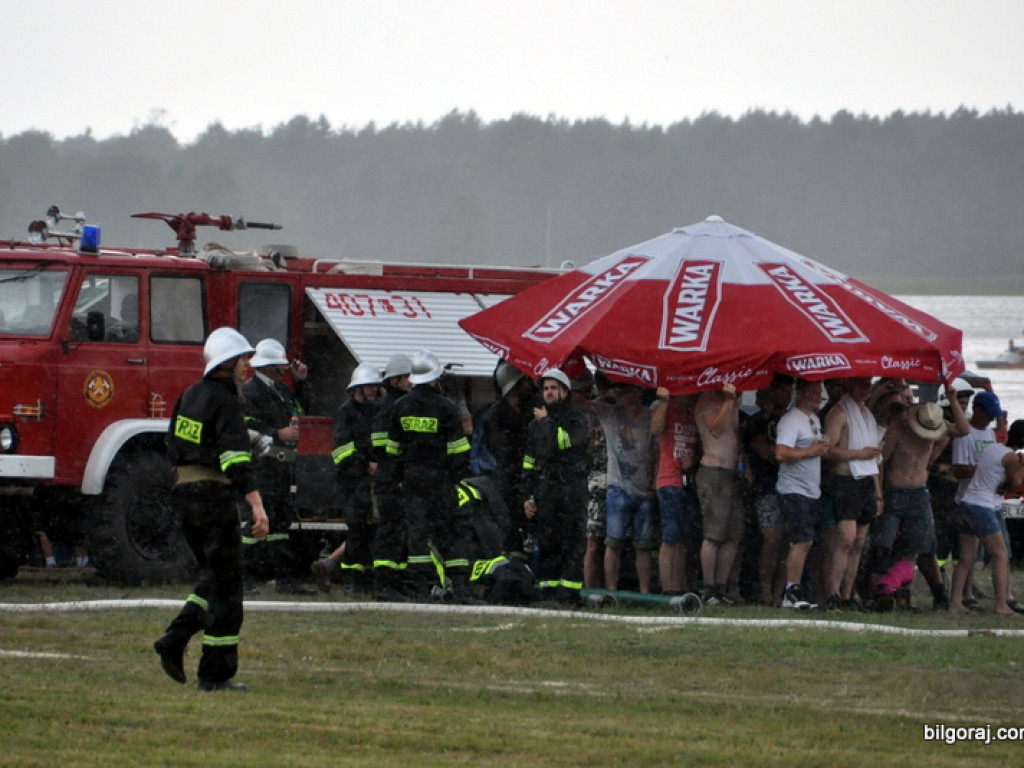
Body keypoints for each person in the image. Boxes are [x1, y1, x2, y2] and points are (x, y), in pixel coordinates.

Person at [154, 327, 269, 692]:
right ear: (229, 362)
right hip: (214, 498)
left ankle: (176, 636)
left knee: (214, 577)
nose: (247, 367)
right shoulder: (226, 401)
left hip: (185, 495)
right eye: (244, 360)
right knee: (228, 590)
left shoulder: (188, 396)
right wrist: (256, 503)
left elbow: (172, 443)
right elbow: (235, 458)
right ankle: (214, 675)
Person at [387, 350, 473, 602]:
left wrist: (397, 479)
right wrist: (458, 479)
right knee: (449, 532)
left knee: (417, 536)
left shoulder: (399, 407)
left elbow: (392, 450)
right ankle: (458, 586)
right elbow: (458, 449)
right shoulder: (446, 408)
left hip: (412, 482)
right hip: (442, 481)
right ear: (435, 379)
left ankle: (421, 588)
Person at [871, 392, 968, 611]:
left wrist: (953, 400)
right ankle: (879, 592)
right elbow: (879, 462)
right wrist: (879, 493)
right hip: (895, 491)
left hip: (919, 492)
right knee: (882, 546)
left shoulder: (937, 430)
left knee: (915, 546)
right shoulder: (898, 430)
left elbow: (963, 430)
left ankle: (905, 594)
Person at [240, 338, 315, 596]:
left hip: (281, 468)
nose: (285, 370)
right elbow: (246, 428)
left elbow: (304, 407)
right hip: (262, 466)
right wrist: (277, 434)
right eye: (281, 366)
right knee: (254, 522)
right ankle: (242, 579)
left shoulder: (281, 391)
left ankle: (284, 578)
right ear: (271, 367)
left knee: (281, 523)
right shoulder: (249, 391)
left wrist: (302, 381)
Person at [521, 368, 591, 605]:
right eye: (546, 388)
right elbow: (529, 462)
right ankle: (547, 590)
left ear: (565, 391)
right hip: (547, 489)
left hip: (572, 488)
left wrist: (546, 423)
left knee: (572, 542)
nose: (549, 392)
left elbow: (562, 445)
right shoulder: (535, 425)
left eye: (553, 388)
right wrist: (527, 496)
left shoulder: (577, 420)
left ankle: (569, 593)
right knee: (548, 541)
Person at [320, 362, 382, 597]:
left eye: (375, 386)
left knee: (371, 530)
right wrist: (365, 464)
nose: (373, 390)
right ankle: (352, 581)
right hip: (353, 480)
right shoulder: (347, 411)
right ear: (357, 387)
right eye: (369, 386)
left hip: (372, 480)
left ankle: (365, 579)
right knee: (357, 530)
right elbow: (341, 450)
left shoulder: (376, 410)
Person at [950, 419, 1024, 615]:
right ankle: (1001, 605)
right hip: (982, 507)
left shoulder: (993, 448)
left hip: (966, 503)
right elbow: (1016, 483)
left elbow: (1001, 481)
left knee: (967, 556)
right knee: (1000, 554)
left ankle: (955, 602)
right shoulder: (1013, 458)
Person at [589, 383, 657, 593]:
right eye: (622, 392)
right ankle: (611, 590)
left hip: (645, 488)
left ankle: (645, 591)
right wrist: (606, 394)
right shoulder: (610, 413)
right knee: (613, 542)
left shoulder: (650, 415)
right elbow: (579, 402)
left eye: (630, 392)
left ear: (639, 393)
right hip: (617, 487)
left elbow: (658, 444)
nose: (625, 397)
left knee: (644, 546)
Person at [823, 377, 883, 611]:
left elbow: (876, 458)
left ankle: (848, 594)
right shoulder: (839, 413)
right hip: (846, 479)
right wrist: (858, 454)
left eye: (868, 384)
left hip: (866, 479)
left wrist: (878, 493)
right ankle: (833, 593)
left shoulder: (867, 414)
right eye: (860, 384)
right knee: (845, 539)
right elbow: (828, 451)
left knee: (859, 541)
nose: (865, 389)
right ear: (849, 385)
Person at [775, 378, 831, 609]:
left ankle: (797, 586)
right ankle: (791, 591)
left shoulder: (814, 419)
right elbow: (781, 453)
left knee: (806, 542)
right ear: (802, 393)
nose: (818, 396)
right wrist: (810, 451)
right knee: (801, 540)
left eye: (820, 392)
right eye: (814, 392)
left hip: (811, 489)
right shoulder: (791, 420)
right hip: (794, 488)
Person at [950, 391, 1006, 612]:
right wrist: (988, 470)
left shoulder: (990, 435)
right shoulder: (965, 434)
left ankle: (959, 600)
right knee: (996, 552)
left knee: (968, 556)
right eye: (988, 415)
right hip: (971, 499)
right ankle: (999, 602)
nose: (991, 420)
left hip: (987, 498)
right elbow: (959, 470)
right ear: (978, 411)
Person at [742, 375, 795, 606]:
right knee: (771, 539)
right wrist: (793, 455)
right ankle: (764, 591)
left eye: (790, 391)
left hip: (792, 486)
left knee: (788, 542)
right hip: (766, 486)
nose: (787, 396)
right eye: (783, 390)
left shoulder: (793, 420)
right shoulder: (758, 421)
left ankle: (779, 592)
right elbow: (764, 450)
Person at [367, 353, 414, 601]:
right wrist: (395, 471)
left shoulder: (396, 404)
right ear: (394, 380)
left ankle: (395, 581)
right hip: (390, 479)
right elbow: (384, 445)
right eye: (407, 377)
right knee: (390, 531)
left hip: (394, 477)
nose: (411, 382)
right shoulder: (391, 407)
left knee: (398, 530)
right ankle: (384, 584)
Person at [694, 383, 745, 605]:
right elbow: (716, 429)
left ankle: (722, 587)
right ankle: (709, 587)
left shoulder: (733, 402)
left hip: (732, 470)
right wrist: (728, 401)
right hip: (713, 470)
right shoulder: (707, 400)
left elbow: (734, 435)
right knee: (713, 534)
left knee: (733, 534)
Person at [651, 388, 700, 595]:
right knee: (670, 535)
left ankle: (679, 586)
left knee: (682, 537)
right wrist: (664, 402)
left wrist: (694, 460)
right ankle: (668, 586)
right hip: (669, 478)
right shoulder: (667, 409)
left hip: (688, 479)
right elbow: (655, 429)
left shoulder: (694, 414)